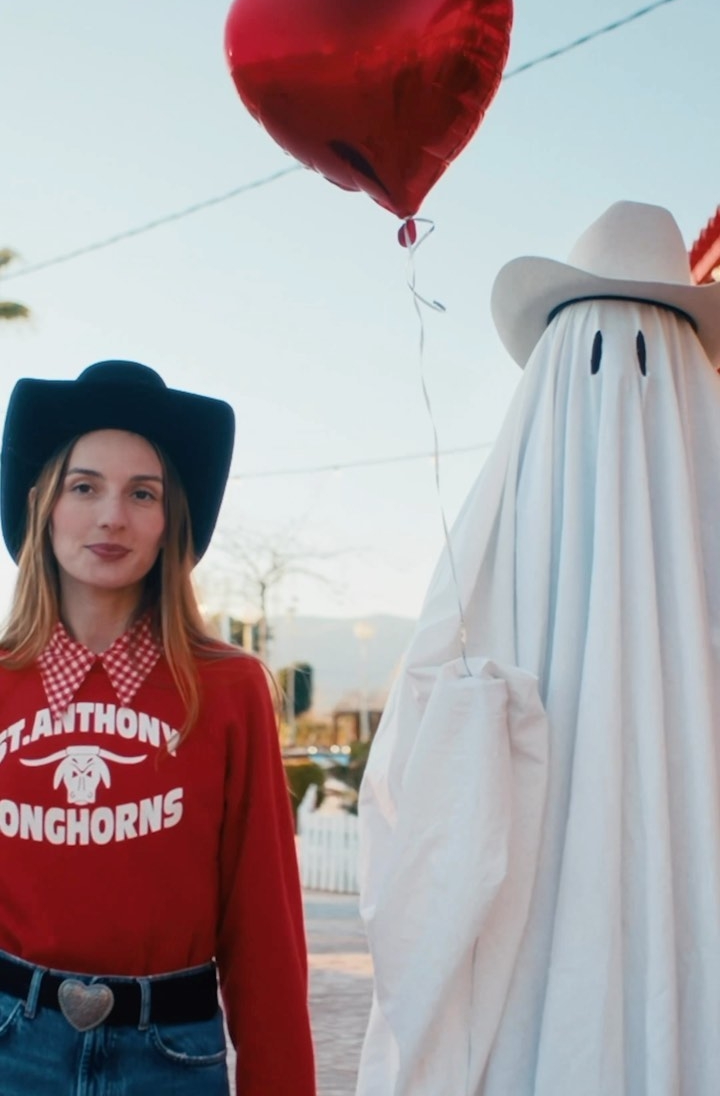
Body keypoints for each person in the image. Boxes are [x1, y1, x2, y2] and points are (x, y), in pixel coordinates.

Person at [356, 202, 720, 1096]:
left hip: (517, 975)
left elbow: (417, 784)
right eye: (600, 351)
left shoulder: (499, 530)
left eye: (643, 351)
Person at [0, 360, 316, 1095]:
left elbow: (264, 929)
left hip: (170, 1061)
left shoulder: (228, 688)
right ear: (43, 505)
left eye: (143, 493)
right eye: (85, 486)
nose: (112, 515)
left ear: (173, 520)